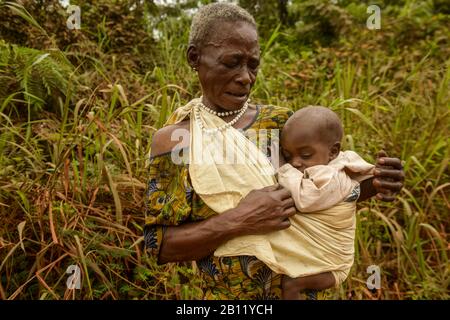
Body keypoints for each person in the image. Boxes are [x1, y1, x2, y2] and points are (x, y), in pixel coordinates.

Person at [144, 3, 404, 300]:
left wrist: (376, 183)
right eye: (232, 62)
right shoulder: (178, 140)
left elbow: (324, 191)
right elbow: (159, 246)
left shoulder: (282, 125)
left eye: (253, 65)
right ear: (195, 57)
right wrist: (239, 219)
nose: (246, 77)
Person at [215, 106, 376, 299]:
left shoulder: (332, 175)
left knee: (291, 284)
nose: (296, 163)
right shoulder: (336, 164)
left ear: (333, 151)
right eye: (289, 156)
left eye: (305, 155)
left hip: (334, 263)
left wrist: (283, 167)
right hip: (327, 260)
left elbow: (305, 200)